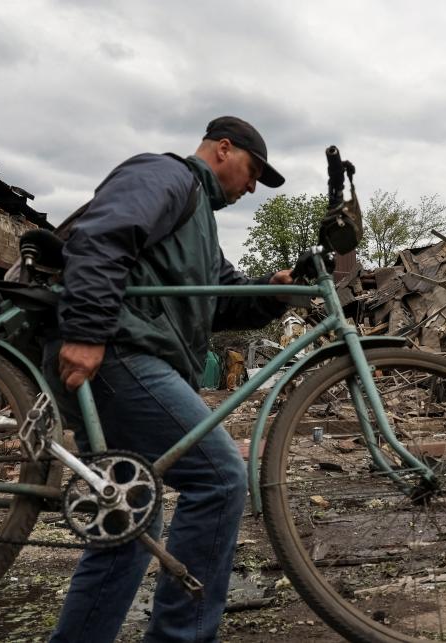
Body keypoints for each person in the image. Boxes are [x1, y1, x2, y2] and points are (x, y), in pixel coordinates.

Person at [43, 116, 292, 642]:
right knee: (222, 478)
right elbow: (103, 234)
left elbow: (219, 300)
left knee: (131, 514)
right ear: (223, 149)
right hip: (120, 351)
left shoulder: (201, 222)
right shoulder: (166, 176)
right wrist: (87, 330)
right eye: (253, 173)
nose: (251, 188)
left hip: (124, 354)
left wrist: (271, 291)